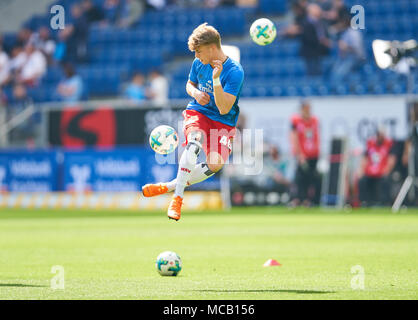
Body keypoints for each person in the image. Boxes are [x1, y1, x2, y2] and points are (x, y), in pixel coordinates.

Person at [141, 23, 244, 221]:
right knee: (194, 143)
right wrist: (196, 93)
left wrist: (215, 81)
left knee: (215, 164)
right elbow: (189, 84)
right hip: (198, 112)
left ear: (212, 47)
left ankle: (170, 186)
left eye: (199, 51)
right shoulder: (198, 63)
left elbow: (224, 108)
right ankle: (177, 198)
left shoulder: (234, 72)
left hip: (223, 121)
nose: (197, 56)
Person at [290, 100, 321, 206]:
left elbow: (316, 136)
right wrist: (299, 154)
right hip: (302, 155)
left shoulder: (314, 121)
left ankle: (308, 200)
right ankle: (297, 198)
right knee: (300, 177)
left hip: (313, 154)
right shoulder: (296, 121)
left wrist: (318, 150)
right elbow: (294, 138)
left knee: (311, 177)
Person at [357, 128, 396, 206]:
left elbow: (391, 159)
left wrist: (387, 170)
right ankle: (365, 202)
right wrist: (361, 170)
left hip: (382, 171)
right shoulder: (370, 144)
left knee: (385, 181)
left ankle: (384, 202)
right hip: (370, 172)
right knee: (362, 180)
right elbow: (365, 158)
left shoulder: (388, 144)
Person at [331, 16, 365, 81]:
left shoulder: (354, 33)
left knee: (338, 74)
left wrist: (346, 47)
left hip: (355, 57)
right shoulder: (346, 32)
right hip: (346, 57)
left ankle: (337, 86)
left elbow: (356, 49)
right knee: (335, 70)